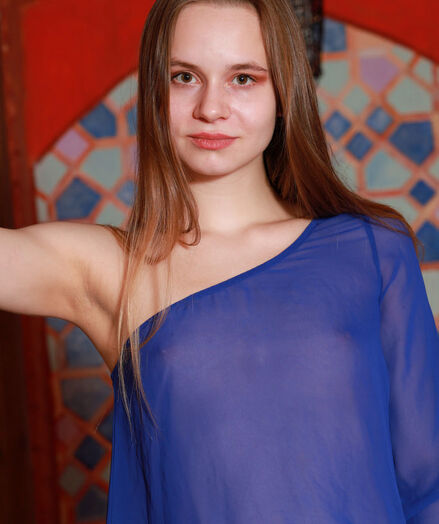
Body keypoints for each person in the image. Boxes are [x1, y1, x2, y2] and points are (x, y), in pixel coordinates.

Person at [1, 0, 438, 522]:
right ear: (153, 90)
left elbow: (428, 481)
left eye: (243, 79)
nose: (211, 108)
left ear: (284, 93)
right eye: (184, 77)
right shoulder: (112, 267)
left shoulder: (372, 247)